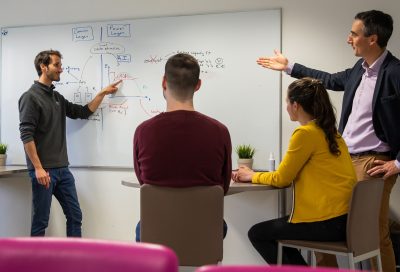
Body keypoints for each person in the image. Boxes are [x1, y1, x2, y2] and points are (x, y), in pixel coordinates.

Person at [257, 10, 400, 271]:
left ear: (372, 39)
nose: (349, 39)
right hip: (344, 160)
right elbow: (330, 80)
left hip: (373, 163)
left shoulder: (395, 72)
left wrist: (398, 164)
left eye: (354, 34)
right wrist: (289, 67)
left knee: (373, 237)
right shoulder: (359, 69)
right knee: (320, 219)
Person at [232, 77, 356, 265]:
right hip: (345, 219)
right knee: (282, 234)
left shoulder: (305, 134)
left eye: (287, 102)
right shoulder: (331, 132)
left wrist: (251, 175)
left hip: (327, 222)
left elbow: (282, 178)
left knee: (258, 234)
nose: (287, 107)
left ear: (296, 105)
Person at [19, 49, 122, 237]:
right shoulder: (30, 97)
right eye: (56, 65)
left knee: (75, 216)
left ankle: (74, 262)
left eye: (60, 64)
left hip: (62, 170)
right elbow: (26, 135)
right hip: (44, 172)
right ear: (43, 67)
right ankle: (34, 265)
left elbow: (82, 112)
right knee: (41, 221)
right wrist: (38, 168)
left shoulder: (56, 98)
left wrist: (102, 93)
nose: (61, 69)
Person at [133, 53, 232, 241]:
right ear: (198, 85)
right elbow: (223, 187)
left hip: (158, 229)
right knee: (220, 225)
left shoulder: (143, 132)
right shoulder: (220, 132)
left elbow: (143, 182)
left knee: (143, 225)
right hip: (204, 232)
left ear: (164, 82)